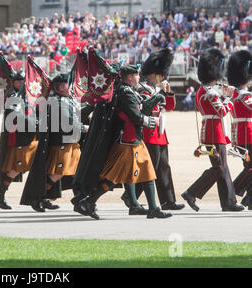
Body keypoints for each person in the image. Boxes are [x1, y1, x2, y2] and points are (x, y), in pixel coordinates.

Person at [76, 64, 172, 220]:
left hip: (133, 139)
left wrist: (158, 96)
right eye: (137, 75)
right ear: (129, 77)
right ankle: (88, 202)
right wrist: (153, 121)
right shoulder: (125, 93)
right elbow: (135, 116)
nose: (139, 77)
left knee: (147, 172)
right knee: (112, 177)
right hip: (127, 140)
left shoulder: (127, 91)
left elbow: (141, 108)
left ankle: (153, 208)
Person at [120, 48, 185, 211]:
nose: (162, 77)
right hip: (149, 131)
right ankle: (130, 196)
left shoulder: (156, 88)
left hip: (160, 132)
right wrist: (161, 91)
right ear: (154, 74)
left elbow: (169, 107)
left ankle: (168, 200)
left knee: (163, 166)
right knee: (151, 167)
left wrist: (167, 92)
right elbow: (145, 109)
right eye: (160, 74)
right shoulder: (143, 89)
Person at [181, 48, 244, 212]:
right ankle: (191, 192)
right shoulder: (209, 93)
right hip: (214, 133)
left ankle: (228, 202)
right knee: (219, 168)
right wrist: (230, 97)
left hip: (212, 131)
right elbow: (222, 112)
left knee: (222, 168)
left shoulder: (205, 91)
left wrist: (224, 96)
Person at [20, 73, 87, 212]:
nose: (71, 87)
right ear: (62, 87)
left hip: (71, 142)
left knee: (77, 174)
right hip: (64, 142)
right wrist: (83, 127)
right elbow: (67, 122)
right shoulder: (58, 102)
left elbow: (76, 113)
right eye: (68, 84)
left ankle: (78, 201)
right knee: (58, 173)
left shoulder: (64, 100)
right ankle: (37, 197)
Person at [0, 70, 38, 209]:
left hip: (31, 135)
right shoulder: (14, 96)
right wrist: (35, 123)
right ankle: (1, 196)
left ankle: (41, 197)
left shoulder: (26, 94)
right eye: (19, 81)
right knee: (18, 168)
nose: (22, 83)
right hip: (21, 136)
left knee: (35, 166)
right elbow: (16, 116)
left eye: (23, 81)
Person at [227, 50, 252, 210]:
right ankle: (236, 189)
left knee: (248, 167)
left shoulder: (236, 93)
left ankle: (248, 200)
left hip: (241, 134)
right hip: (248, 134)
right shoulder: (244, 95)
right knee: (250, 168)